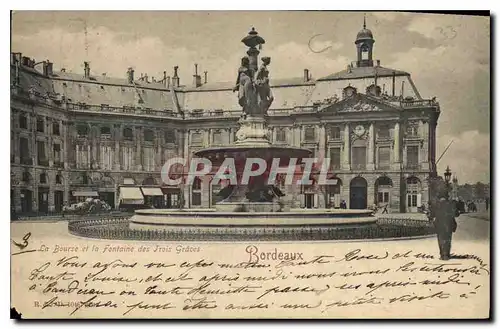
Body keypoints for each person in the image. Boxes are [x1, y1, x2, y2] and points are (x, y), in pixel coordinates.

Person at [429, 183, 459, 261]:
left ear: (439, 197)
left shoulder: (436, 204)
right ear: (447, 196)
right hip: (449, 223)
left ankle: (443, 254)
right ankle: (447, 254)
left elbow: (432, 215)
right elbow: (456, 214)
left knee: (441, 239)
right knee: (448, 239)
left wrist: (430, 216)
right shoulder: (451, 204)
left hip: (439, 224)